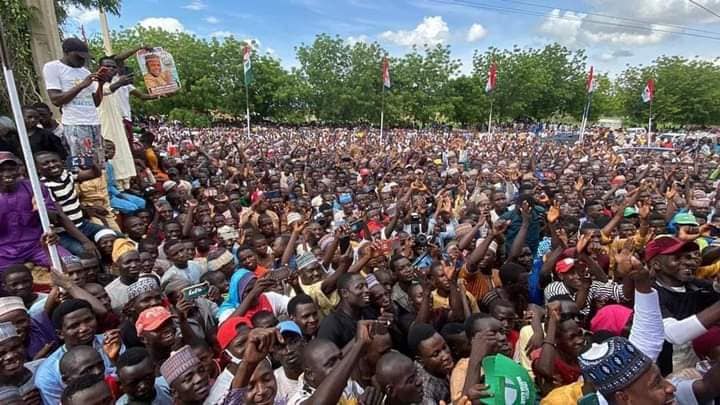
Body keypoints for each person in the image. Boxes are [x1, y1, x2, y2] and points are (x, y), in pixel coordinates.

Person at [35, 299, 117, 405]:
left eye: (88, 320)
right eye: (74, 326)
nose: (84, 328)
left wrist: (116, 359)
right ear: (60, 333)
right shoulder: (48, 374)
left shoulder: (111, 341)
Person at [0, 152, 70, 270]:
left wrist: (41, 208)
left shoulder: (35, 187)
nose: (7, 174)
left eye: (11, 169)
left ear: (18, 170)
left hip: (38, 245)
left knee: (72, 264)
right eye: (1, 170)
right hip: (4, 251)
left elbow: (55, 218)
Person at [43, 38, 105, 168]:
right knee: (83, 166)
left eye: (84, 58)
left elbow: (96, 103)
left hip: (94, 122)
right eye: (78, 57)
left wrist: (101, 84)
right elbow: (56, 100)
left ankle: (100, 188)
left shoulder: (85, 72)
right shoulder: (53, 67)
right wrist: (82, 85)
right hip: (75, 123)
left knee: (98, 164)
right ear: (66, 52)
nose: (82, 61)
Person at [104, 139, 145, 214]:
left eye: (114, 149)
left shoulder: (109, 165)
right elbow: (107, 186)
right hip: (107, 197)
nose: (113, 151)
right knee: (132, 208)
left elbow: (112, 184)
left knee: (141, 202)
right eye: (109, 148)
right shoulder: (102, 167)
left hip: (114, 194)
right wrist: (119, 195)